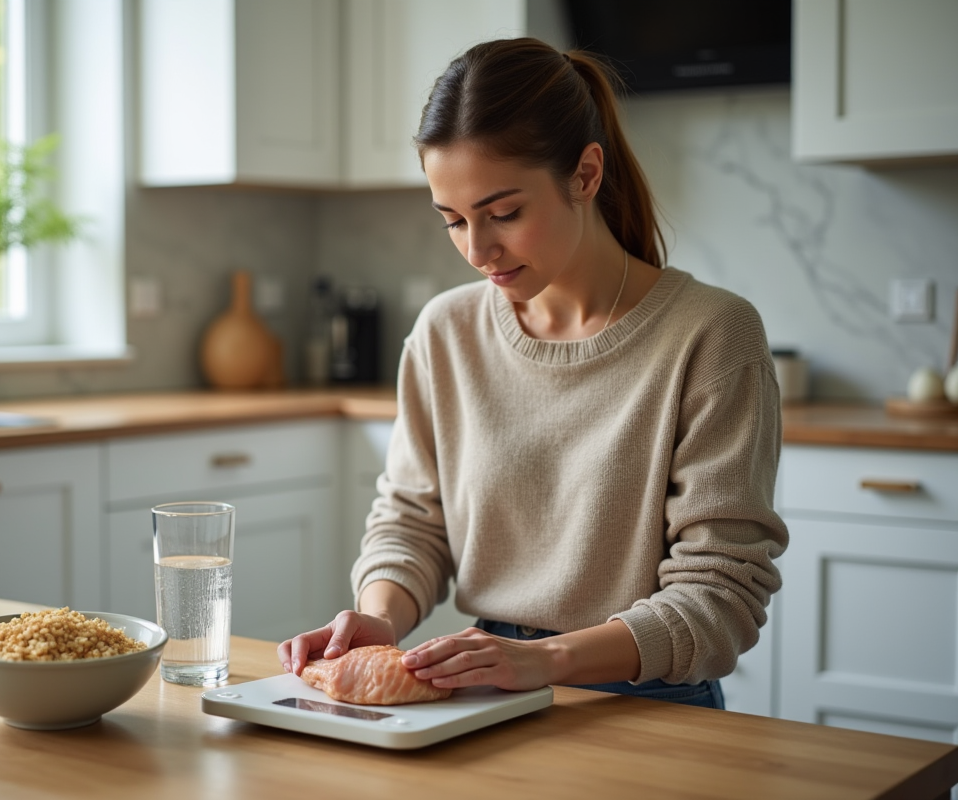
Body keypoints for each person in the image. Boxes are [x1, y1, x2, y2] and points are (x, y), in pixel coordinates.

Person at [278, 38, 788, 710]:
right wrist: (381, 615)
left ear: (585, 174)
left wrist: (544, 660)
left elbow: (721, 597)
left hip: (647, 701)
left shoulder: (712, 334)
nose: (477, 249)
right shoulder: (446, 332)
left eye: (504, 214)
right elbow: (412, 523)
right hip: (488, 687)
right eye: (453, 221)